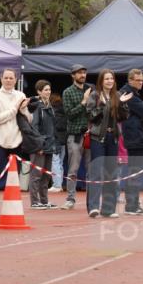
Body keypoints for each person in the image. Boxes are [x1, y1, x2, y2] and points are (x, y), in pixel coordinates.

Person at [85, 69, 131, 217]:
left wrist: (123, 105)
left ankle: (108, 209)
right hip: (98, 138)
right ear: (101, 81)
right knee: (96, 173)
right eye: (106, 79)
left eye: (111, 79)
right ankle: (93, 207)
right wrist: (103, 105)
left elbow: (123, 117)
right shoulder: (95, 95)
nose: (110, 81)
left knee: (111, 174)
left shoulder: (117, 95)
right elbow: (92, 116)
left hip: (113, 138)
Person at [0, 68, 29, 220]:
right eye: (6, 78)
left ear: (16, 80)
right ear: (1, 79)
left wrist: (24, 111)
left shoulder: (21, 95)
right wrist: (13, 110)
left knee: (14, 178)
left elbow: (28, 120)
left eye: (11, 78)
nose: (9, 80)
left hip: (16, 142)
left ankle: (12, 209)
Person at [119, 68, 143, 215]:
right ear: (130, 80)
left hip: (137, 136)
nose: (141, 83)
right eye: (138, 80)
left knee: (135, 172)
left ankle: (133, 204)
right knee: (134, 172)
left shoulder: (132, 94)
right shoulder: (128, 94)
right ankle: (132, 205)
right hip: (135, 137)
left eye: (142, 80)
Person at [62, 64, 92, 209]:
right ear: (73, 75)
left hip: (91, 136)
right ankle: (70, 198)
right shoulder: (68, 92)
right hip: (74, 136)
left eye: (84, 72)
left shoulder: (91, 89)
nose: (82, 75)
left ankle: (92, 198)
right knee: (73, 169)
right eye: (79, 73)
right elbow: (69, 114)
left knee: (91, 169)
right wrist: (84, 102)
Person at [28, 80, 56, 209]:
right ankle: (34, 201)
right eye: (45, 90)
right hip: (39, 145)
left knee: (46, 175)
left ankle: (44, 201)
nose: (48, 92)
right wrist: (39, 144)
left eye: (49, 89)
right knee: (36, 175)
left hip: (50, 145)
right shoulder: (36, 106)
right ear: (39, 91)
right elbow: (34, 127)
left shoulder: (50, 106)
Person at [49, 93, 67, 194]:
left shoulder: (52, 113)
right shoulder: (64, 112)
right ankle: (59, 184)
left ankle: (57, 184)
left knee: (55, 162)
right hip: (63, 141)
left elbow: (53, 128)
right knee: (60, 162)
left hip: (55, 140)